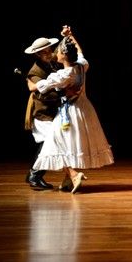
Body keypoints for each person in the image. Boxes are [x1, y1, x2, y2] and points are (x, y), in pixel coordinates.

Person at [28, 25, 114, 193]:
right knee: (64, 143)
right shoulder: (80, 66)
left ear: (64, 55)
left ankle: (71, 175)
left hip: (70, 112)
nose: (54, 53)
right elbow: (80, 53)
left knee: (59, 144)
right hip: (80, 109)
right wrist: (71, 36)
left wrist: (30, 83)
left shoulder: (63, 73)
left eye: (56, 50)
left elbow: (37, 87)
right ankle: (68, 178)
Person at [23, 35, 61, 190]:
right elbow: (42, 93)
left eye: (49, 50)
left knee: (49, 143)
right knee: (48, 144)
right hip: (42, 113)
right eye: (44, 52)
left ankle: (33, 174)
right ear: (38, 54)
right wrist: (62, 91)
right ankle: (35, 175)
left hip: (52, 111)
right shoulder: (35, 72)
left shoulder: (52, 62)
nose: (49, 54)